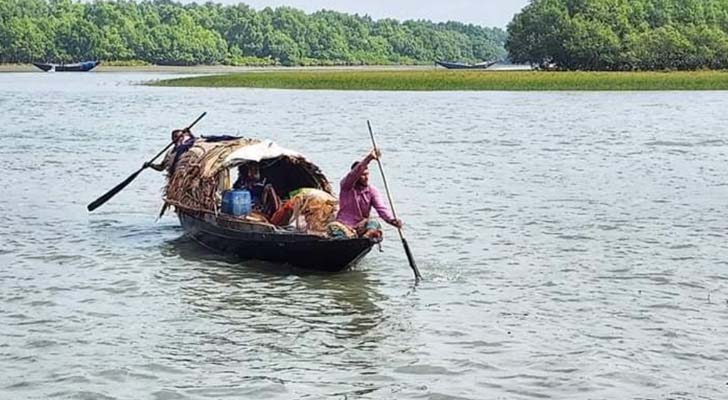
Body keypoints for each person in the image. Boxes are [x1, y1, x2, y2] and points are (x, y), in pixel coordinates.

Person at [334, 148, 402, 238]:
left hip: (361, 225)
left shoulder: (372, 191)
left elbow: (381, 208)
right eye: (362, 175)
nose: (366, 177)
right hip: (344, 225)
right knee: (334, 229)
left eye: (367, 174)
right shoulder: (346, 186)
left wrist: (392, 220)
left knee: (374, 223)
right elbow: (353, 174)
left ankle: (366, 236)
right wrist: (369, 158)